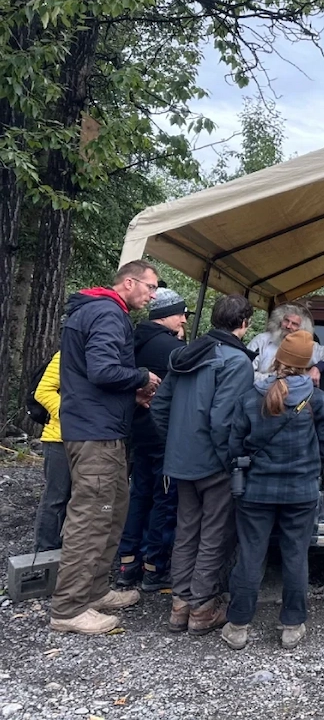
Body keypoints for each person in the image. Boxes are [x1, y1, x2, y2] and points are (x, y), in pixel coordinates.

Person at [49, 260, 161, 636]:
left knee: (112, 511)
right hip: (94, 433)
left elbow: (93, 376)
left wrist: (132, 395)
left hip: (102, 427)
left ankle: (94, 590)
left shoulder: (99, 311)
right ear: (128, 282)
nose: (153, 294)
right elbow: (102, 371)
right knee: (91, 516)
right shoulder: (108, 313)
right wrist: (142, 376)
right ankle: (68, 607)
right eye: (150, 286)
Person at [221, 330, 324, 652]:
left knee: (250, 556)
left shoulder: (251, 396)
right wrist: (315, 468)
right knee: (295, 556)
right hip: (300, 492)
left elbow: (234, 446)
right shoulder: (317, 400)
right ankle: (291, 625)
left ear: (277, 359)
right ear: (308, 364)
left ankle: (238, 626)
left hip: (255, 492)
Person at [150, 294, 255, 636]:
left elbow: (159, 407)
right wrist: (230, 459)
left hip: (180, 461)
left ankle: (179, 607)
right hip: (214, 464)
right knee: (213, 536)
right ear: (244, 324)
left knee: (185, 532)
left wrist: (177, 444)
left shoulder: (185, 353)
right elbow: (222, 419)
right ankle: (202, 609)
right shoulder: (237, 362)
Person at [115, 289, 189, 591]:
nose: (184, 318)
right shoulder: (171, 349)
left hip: (137, 431)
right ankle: (154, 567)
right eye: (181, 313)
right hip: (163, 435)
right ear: (167, 314)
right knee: (164, 499)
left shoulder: (132, 341)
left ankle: (127, 563)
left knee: (138, 495)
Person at [250, 302, 324, 388]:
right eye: (286, 320)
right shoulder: (262, 340)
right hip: (262, 392)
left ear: (302, 328)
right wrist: (274, 379)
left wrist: (317, 368)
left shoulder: (308, 346)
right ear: (279, 320)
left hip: (297, 395)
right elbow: (246, 372)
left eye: (294, 324)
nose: (288, 326)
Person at [32, 351, 70, 552]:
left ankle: (64, 549)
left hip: (82, 438)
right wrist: (68, 414)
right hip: (57, 438)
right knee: (55, 498)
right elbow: (43, 391)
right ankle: (44, 551)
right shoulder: (64, 356)